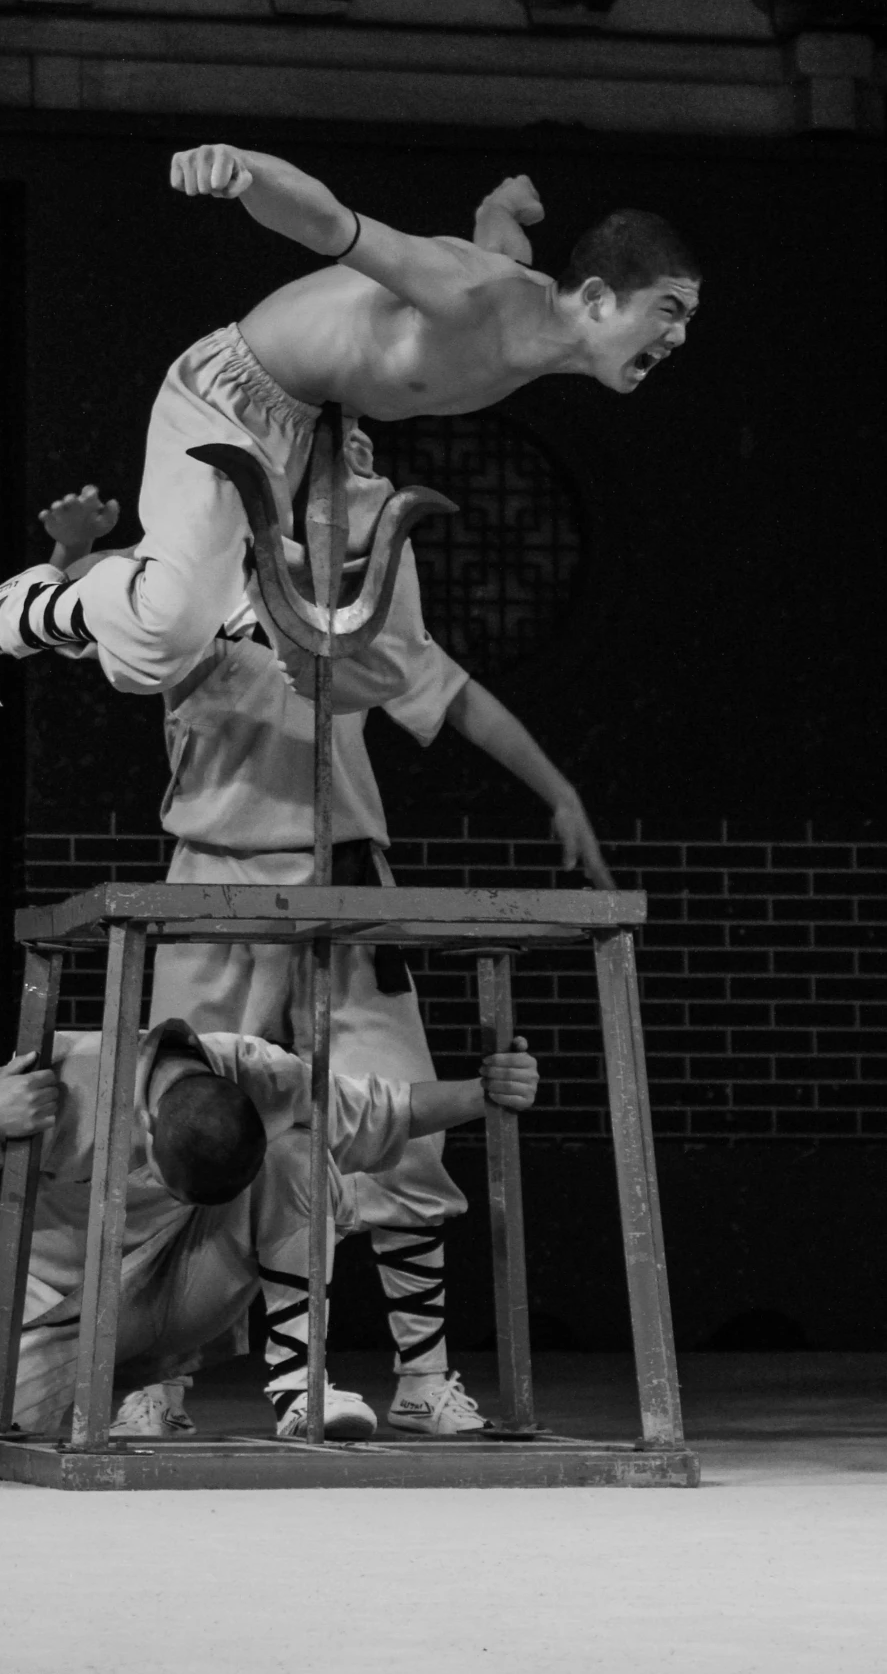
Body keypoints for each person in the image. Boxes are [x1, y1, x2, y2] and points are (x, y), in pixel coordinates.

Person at [36, 450, 610, 1440]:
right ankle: (159, 1372)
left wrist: (556, 788)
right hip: (213, 875)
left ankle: (423, 1373)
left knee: (402, 1127)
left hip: (342, 877)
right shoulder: (189, 580)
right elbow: (77, 608)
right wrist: (71, 549)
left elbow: (454, 691)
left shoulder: (361, 606)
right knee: (184, 1128)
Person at [0, 162, 699, 694]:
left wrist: (501, 204)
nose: (677, 338)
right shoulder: (466, 292)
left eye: (687, 316)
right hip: (233, 397)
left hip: (324, 433)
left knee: (389, 659)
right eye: (667, 309)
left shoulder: (538, 308)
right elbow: (331, 222)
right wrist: (243, 171)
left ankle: (209, 589)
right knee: (167, 636)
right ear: (597, 296)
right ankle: (25, 608)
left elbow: (500, 243)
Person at [0, 1017, 539, 1465]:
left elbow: (385, 1107)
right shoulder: (71, 1072)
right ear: (149, 1136)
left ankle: (299, 1384)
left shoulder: (261, 1073)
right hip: (61, 1294)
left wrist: (485, 1090)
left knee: (299, 1152)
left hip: (190, 1280)